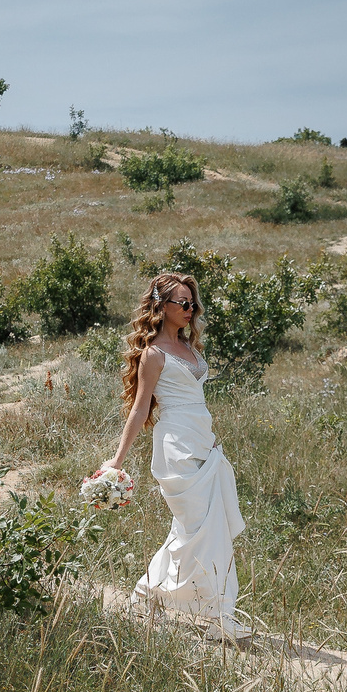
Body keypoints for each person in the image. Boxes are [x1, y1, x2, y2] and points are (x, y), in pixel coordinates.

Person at [103, 272, 249, 640]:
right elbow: (139, 409)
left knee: (194, 530)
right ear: (161, 306)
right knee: (206, 529)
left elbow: (197, 401)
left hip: (203, 443)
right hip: (176, 448)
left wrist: (211, 440)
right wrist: (116, 461)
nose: (189, 309)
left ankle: (147, 592)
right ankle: (220, 616)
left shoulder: (190, 347)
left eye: (192, 303)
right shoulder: (153, 354)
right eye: (181, 303)